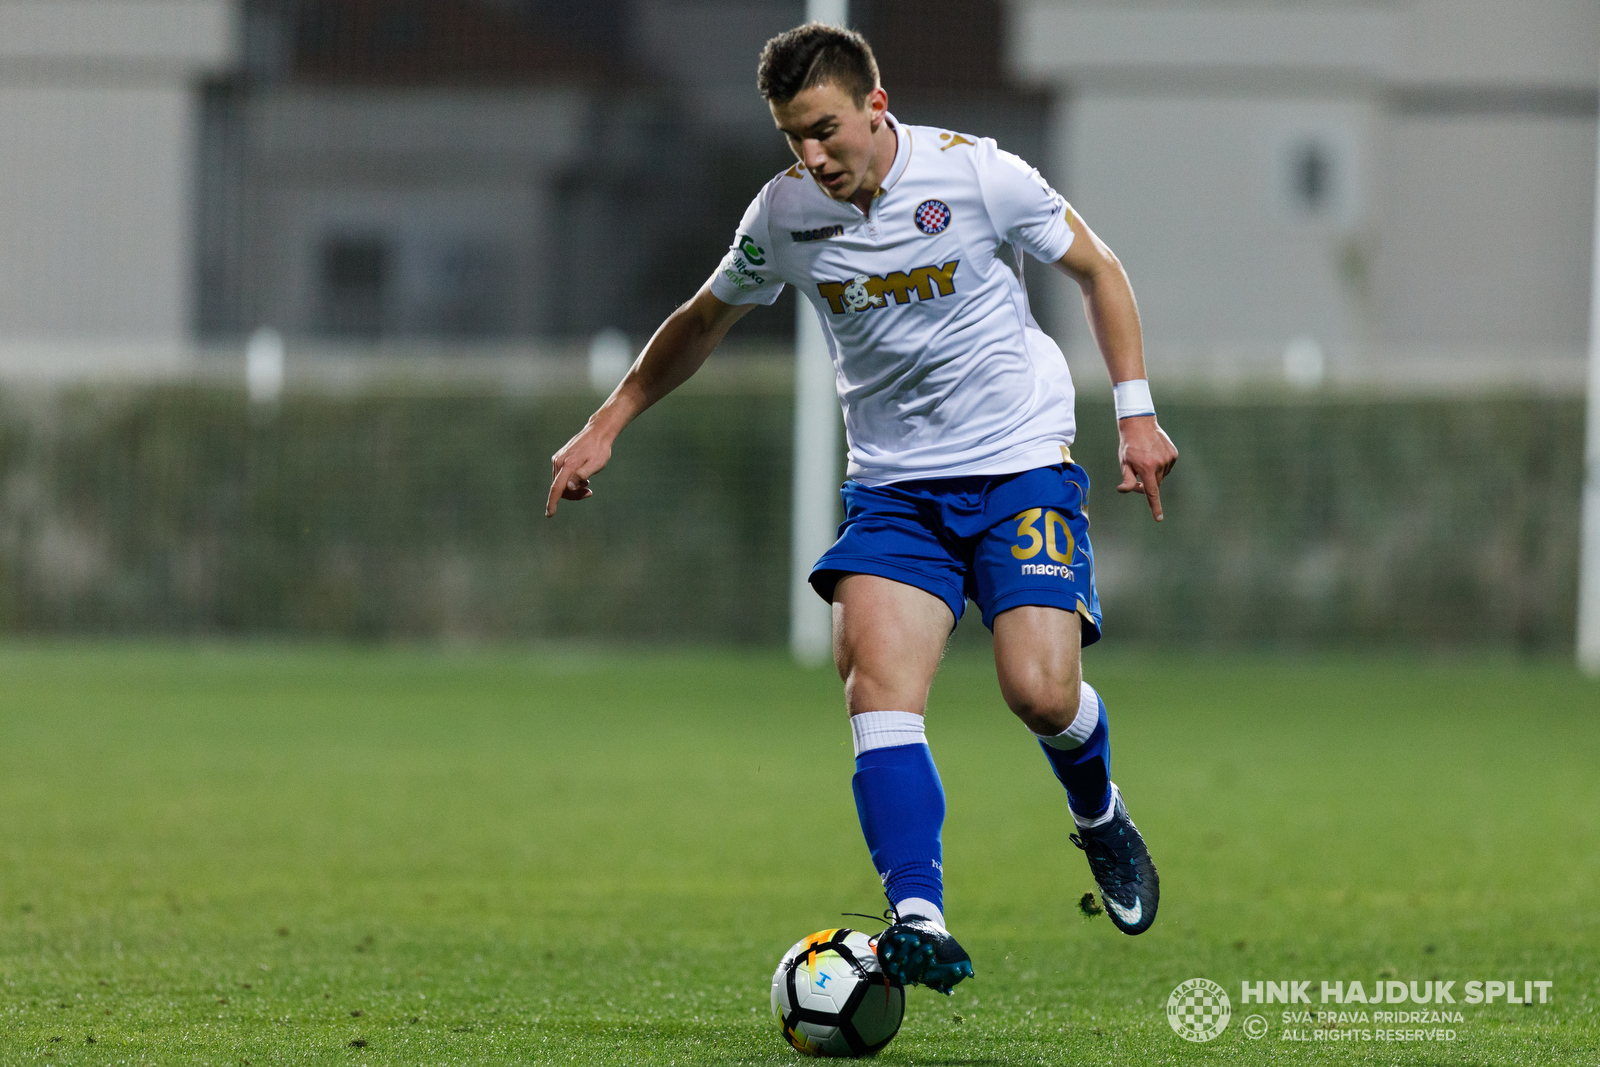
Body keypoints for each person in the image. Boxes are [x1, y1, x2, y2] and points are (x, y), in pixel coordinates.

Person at [546, 23, 1178, 995]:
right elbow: (703, 317)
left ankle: (1098, 814)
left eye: (826, 129)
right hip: (892, 488)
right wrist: (609, 420)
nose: (812, 155)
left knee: (1041, 694)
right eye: (793, 137)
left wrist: (1134, 415)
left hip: (1017, 466)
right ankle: (917, 915)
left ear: (875, 108)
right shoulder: (785, 214)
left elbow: (1098, 268)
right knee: (875, 684)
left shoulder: (976, 177)